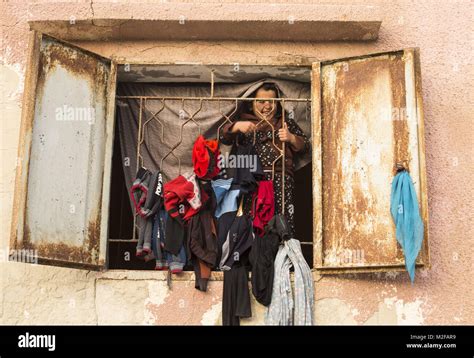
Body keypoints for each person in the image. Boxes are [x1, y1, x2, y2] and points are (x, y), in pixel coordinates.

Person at [219, 83, 310, 237]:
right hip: (252, 184)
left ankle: (281, 257)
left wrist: (291, 138)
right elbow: (223, 137)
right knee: (253, 225)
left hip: (280, 183)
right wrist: (236, 126)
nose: (267, 106)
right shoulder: (244, 122)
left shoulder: (284, 122)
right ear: (251, 104)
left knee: (281, 226)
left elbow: (306, 147)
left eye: (272, 102)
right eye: (261, 101)